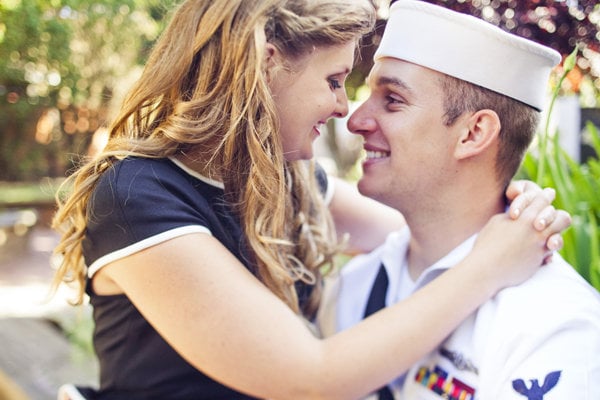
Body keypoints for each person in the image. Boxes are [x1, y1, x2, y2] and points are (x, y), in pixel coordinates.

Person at [51, 0, 571, 399]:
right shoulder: (138, 197)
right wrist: (488, 265)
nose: (346, 109)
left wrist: (511, 209)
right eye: (335, 81)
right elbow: (310, 377)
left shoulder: (289, 183)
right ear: (267, 65)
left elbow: (432, 228)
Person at [317, 1, 600, 399]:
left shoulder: (552, 321)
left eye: (393, 99)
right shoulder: (357, 284)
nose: (356, 120)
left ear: (473, 134)